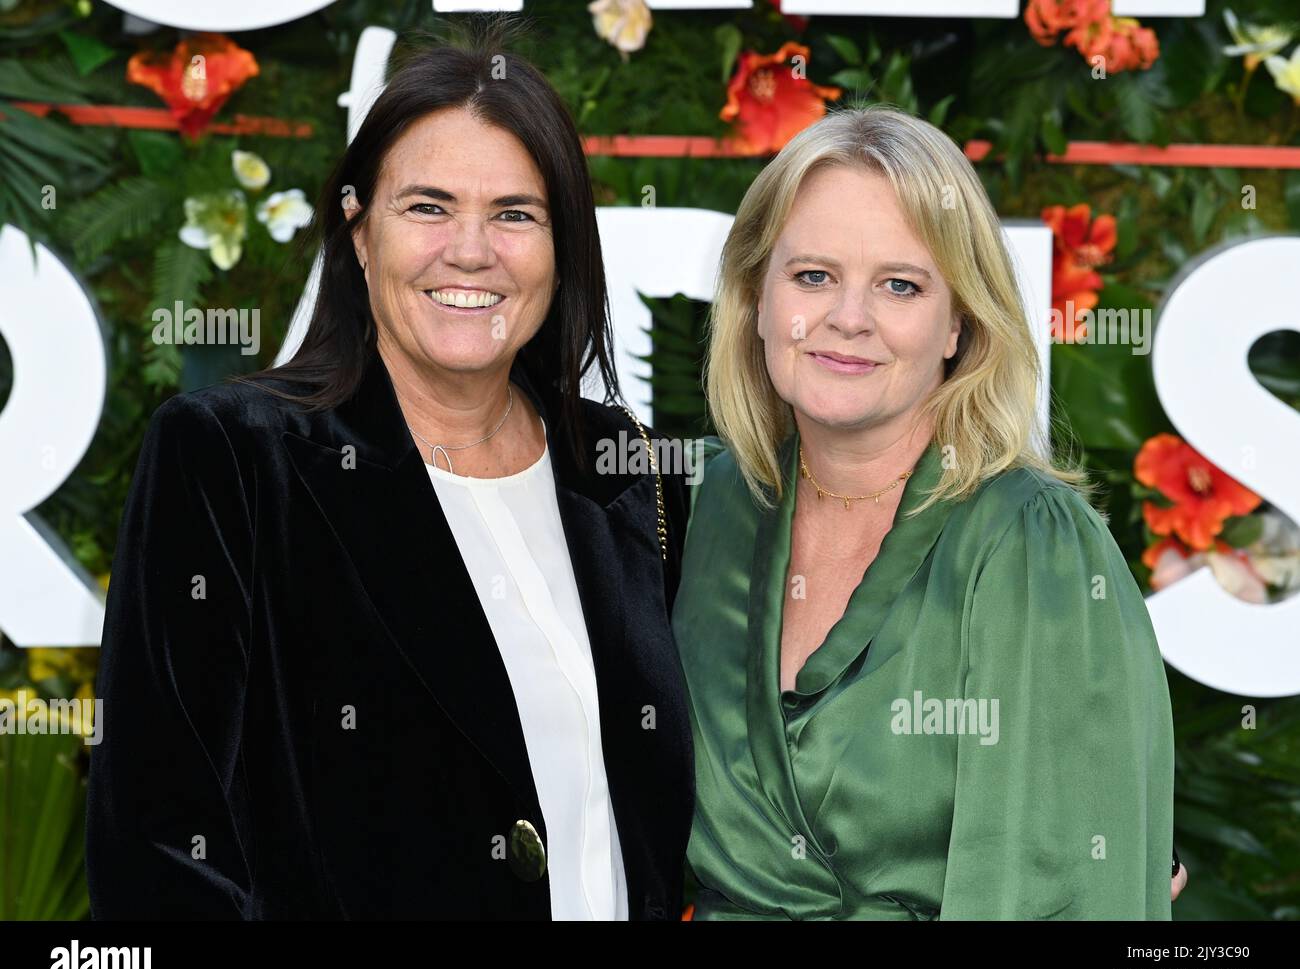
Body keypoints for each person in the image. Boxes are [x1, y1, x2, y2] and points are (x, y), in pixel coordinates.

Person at [85, 30, 694, 921]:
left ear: (562, 246)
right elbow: (157, 845)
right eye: (428, 207)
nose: (472, 251)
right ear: (359, 231)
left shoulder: (631, 473)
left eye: (515, 213)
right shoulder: (232, 460)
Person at [672, 104, 1178, 919]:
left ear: (959, 327)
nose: (849, 317)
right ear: (755, 297)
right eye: (813, 276)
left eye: (900, 286)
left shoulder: (1032, 547)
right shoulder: (699, 507)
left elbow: (1065, 897)